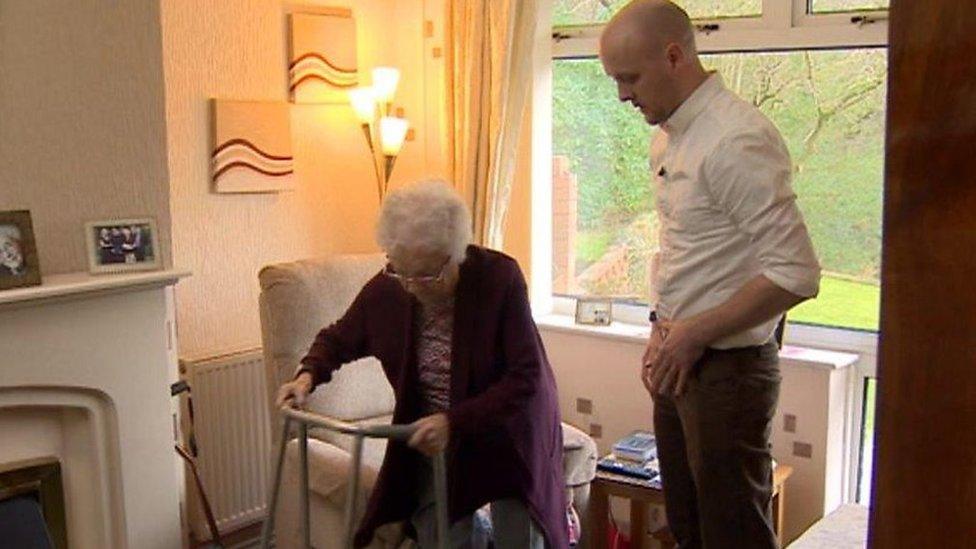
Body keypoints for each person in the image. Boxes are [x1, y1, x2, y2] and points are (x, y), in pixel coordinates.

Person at [599, 2, 821, 547]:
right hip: (680, 356)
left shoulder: (736, 138)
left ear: (674, 56)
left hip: (728, 370)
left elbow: (798, 273)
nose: (623, 95)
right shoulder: (669, 137)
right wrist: (662, 328)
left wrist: (694, 333)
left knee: (732, 533)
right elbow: (688, 252)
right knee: (688, 527)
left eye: (629, 78)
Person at [275, 180, 567, 548]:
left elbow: (526, 378)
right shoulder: (388, 289)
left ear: (456, 252)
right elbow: (337, 338)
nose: (412, 286)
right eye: (402, 271)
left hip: (510, 429)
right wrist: (305, 377)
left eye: (427, 274)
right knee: (439, 531)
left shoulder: (499, 278)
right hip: (438, 433)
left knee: (520, 536)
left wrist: (454, 421)